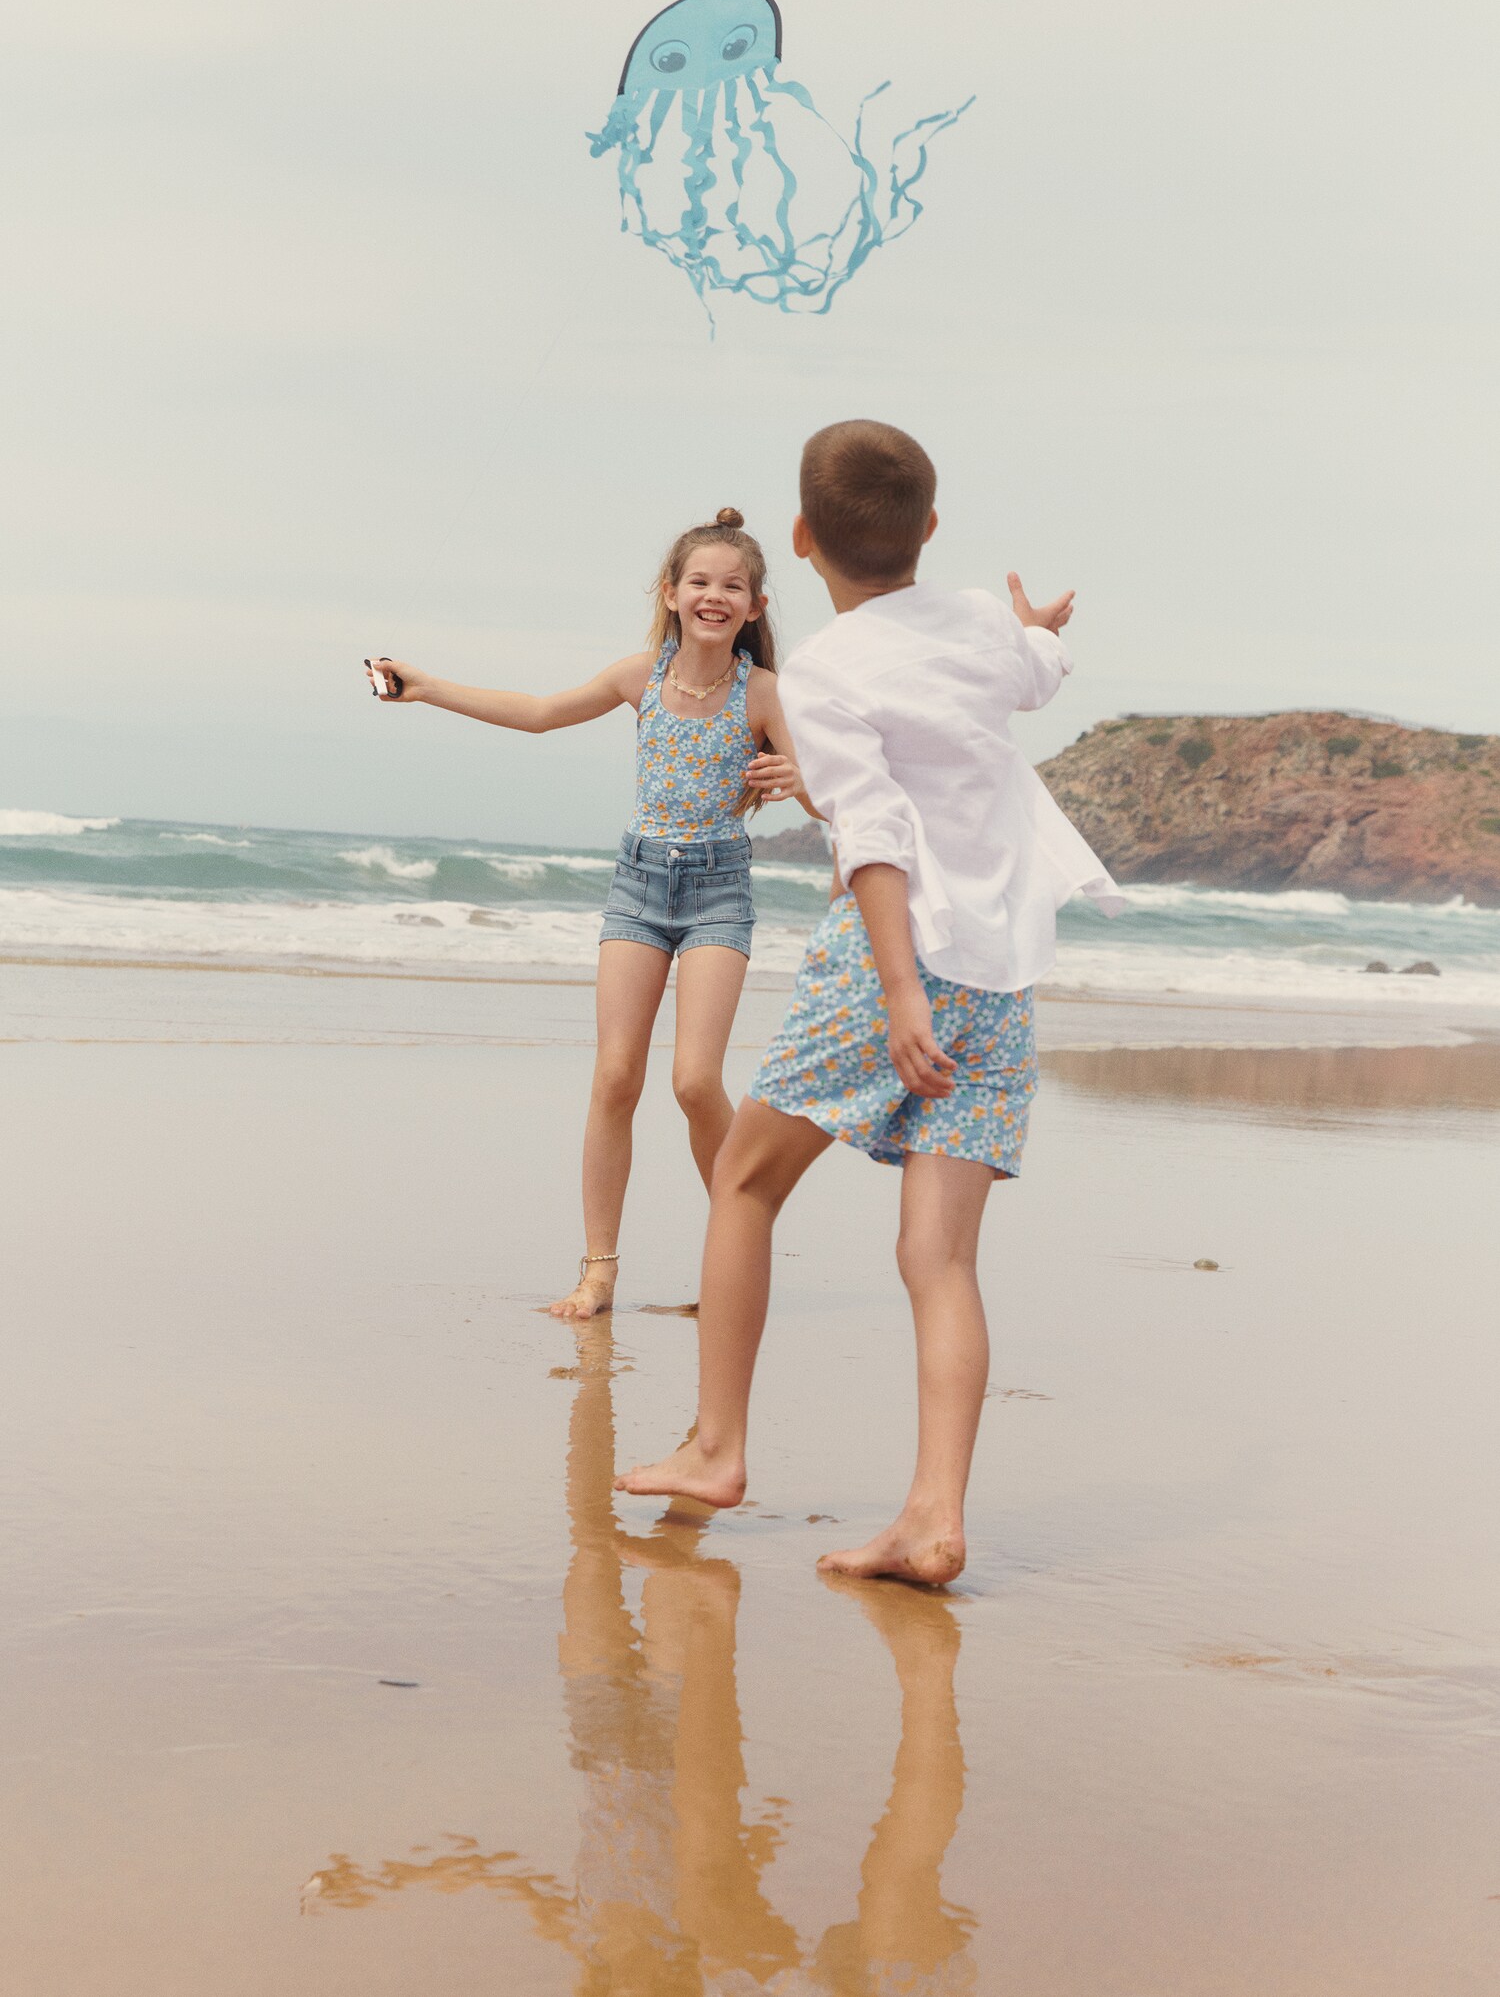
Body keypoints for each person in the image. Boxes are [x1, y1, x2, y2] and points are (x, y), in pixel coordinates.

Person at [617, 423, 1121, 1583]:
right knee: (940, 1260)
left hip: (895, 961)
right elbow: (1038, 671)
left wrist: (897, 991)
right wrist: (1038, 630)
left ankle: (716, 1446)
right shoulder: (985, 632)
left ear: (798, 541)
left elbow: (878, 836)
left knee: (742, 1179)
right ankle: (933, 1518)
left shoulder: (832, 673)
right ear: (929, 532)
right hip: (1001, 974)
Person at [366, 508, 819, 1319]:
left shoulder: (766, 693)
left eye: (734, 586)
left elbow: (826, 794)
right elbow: (539, 712)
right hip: (638, 888)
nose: (715, 596)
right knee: (615, 1078)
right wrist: (428, 686)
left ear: (755, 606)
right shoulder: (638, 676)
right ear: (671, 593)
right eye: (700, 582)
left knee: (693, 1081)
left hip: (719, 890)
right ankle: (599, 1272)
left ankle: (736, 1249)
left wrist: (801, 784)